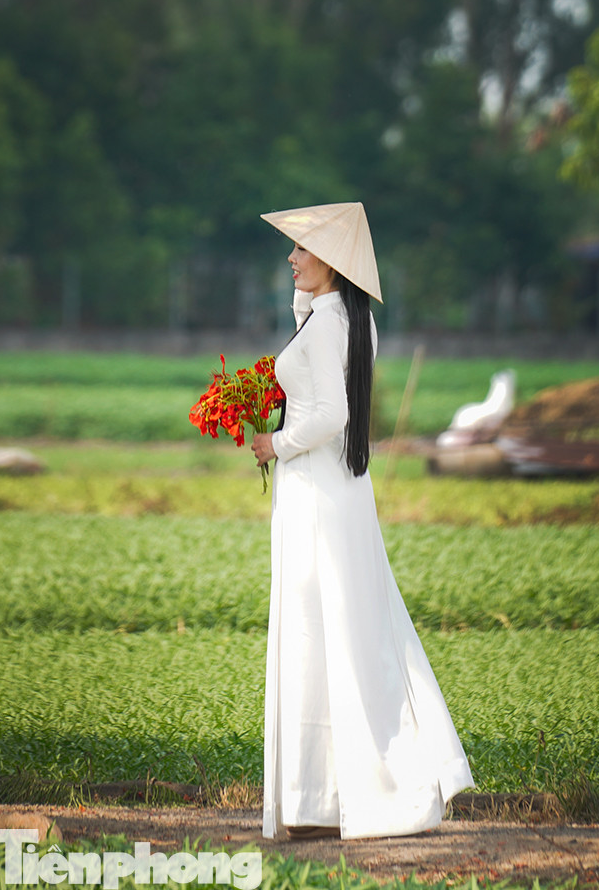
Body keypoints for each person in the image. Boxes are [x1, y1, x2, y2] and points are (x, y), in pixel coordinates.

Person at [250, 200, 472, 840]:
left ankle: (325, 797)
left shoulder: (327, 325)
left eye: (302, 250)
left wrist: (276, 444)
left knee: (317, 629)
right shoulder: (350, 320)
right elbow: (327, 384)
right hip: (342, 492)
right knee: (347, 628)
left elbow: (330, 418)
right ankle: (327, 796)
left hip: (317, 491)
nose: (291, 258)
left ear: (334, 261)